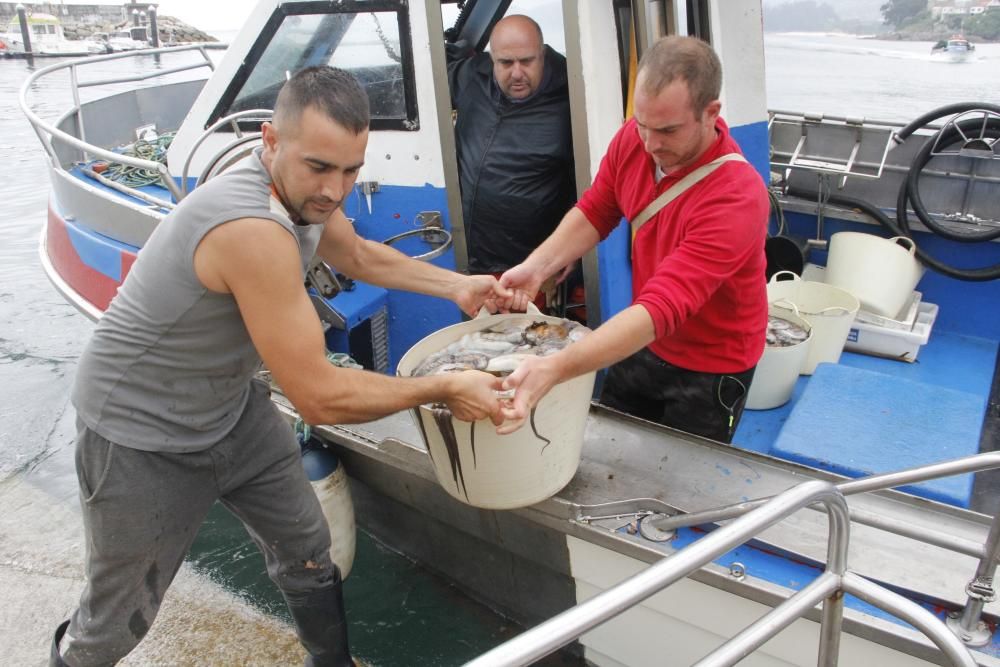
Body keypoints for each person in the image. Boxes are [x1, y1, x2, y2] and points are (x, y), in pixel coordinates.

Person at [50, 66, 521, 667]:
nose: (335, 188)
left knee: (306, 546)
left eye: (352, 169)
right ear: (270, 140)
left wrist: (458, 286)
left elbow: (352, 251)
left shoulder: (303, 196)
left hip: (228, 407)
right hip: (139, 433)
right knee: (114, 625)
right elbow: (319, 397)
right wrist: (445, 387)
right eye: (319, 167)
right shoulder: (251, 230)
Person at [496, 36, 769, 444]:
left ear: (710, 113)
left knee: (683, 476)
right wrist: (538, 267)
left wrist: (555, 367)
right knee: (607, 444)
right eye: (642, 124)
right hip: (645, 339)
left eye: (668, 130)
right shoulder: (635, 139)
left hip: (712, 363)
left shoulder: (737, 195)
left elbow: (663, 306)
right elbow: (597, 209)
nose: (651, 143)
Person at [447, 14, 577, 305]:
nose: (517, 73)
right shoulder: (471, 76)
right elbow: (424, 73)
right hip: (467, 262)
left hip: (528, 267)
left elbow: (590, 179)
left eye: (527, 61)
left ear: (542, 55)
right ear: (491, 60)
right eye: (505, 63)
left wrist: (571, 248)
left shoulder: (575, 94)